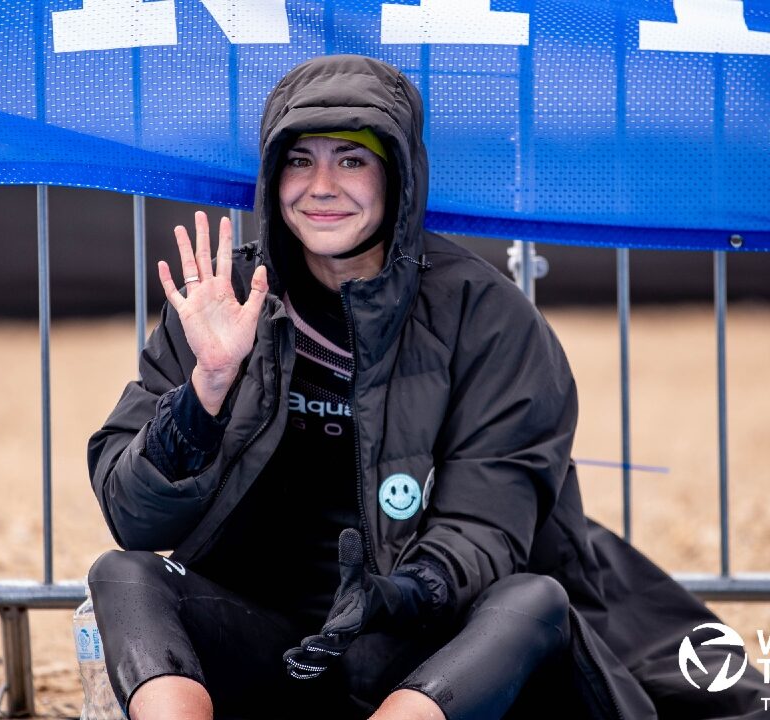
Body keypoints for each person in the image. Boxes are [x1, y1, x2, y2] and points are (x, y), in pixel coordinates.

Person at [87, 54, 766, 719]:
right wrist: (204, 393)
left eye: (351, 159)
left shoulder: (488, 317)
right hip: (274, 640)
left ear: (399, 177)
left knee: (533, 599)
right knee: (123, 575)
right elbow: (136, 520)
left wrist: (392, 598)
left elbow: (486, 528)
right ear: (272, 176)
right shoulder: (226, 301)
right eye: (300, 160)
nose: (321, 186)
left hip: (427, 646)